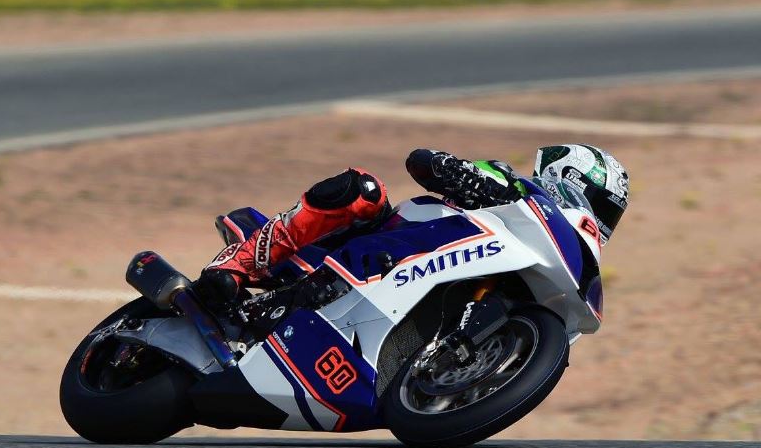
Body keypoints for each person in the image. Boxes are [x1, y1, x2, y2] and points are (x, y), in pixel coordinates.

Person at [194, 144, 628, 306]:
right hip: (383, 242)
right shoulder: (509, 184)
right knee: (362, 188)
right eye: (603, 207)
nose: (601, 220)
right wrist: (453, 170)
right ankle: (238, 264)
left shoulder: (559, 258)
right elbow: (422, 162)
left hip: (416, 286)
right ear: (570, 181)